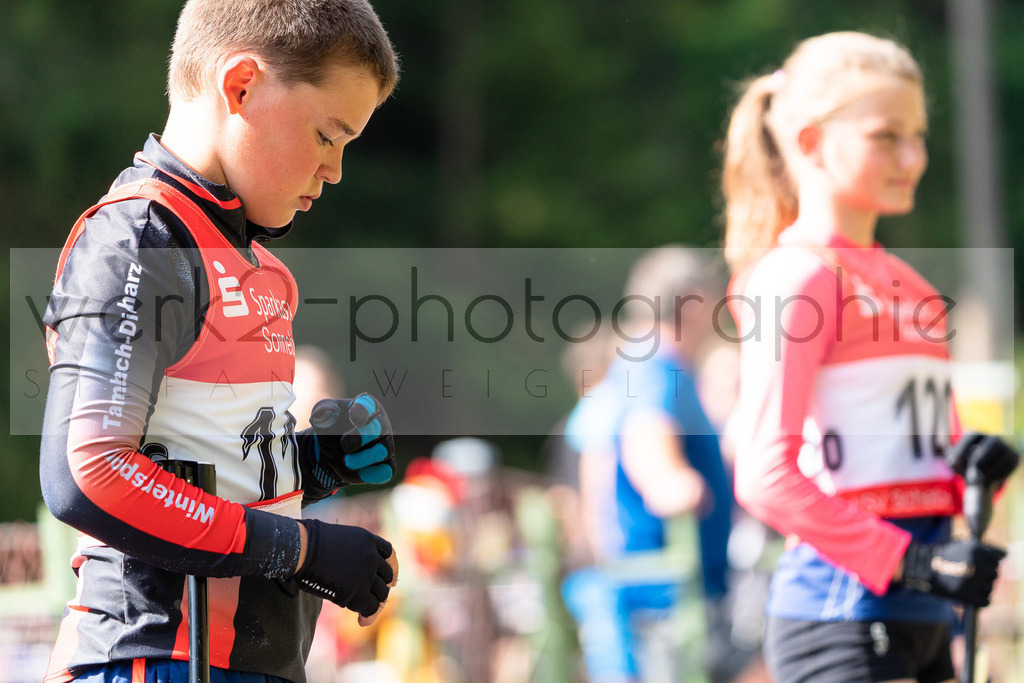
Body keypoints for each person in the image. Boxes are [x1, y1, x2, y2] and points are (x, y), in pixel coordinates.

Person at [38, 1, 403, 681]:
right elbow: (88, 474)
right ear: (240, 87)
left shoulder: (264, 270)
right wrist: (300, 548)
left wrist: (309, 467)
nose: (336, 171)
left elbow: (191, 462)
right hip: (156, 656)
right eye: (328, 136)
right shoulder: (143, 238)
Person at [720, 31, 1018, 683]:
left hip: (929, 613)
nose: (912, 156)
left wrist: (978, 466)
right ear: (811, 142)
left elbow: (923, 454)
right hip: (840, 614)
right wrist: (908, 560)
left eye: (918, 134)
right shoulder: (796, 277)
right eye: (887, 136)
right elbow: (766, 476)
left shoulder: (911, 286)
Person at [562, 246, 737, 683]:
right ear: (692, 300)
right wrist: (678, 482)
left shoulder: (635, 362)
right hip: (671, 597)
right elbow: (651, 455)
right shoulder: (657, 367)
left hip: (655, 588)